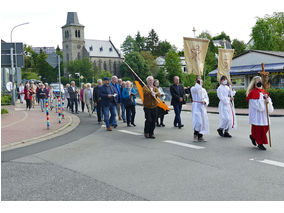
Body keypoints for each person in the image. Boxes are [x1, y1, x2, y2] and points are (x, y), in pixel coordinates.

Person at [246, 76, 274, 151]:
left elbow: (268, 100)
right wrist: (263, 101)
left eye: (260, 80)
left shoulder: (263, 91)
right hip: (257, 114)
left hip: (264, 114)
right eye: (258, 80)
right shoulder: (252, 93)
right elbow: (257, 105)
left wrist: (267, 100)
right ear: (254, 82)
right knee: (259, 129)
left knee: (266, 127)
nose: (259, 81)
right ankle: (260, 143)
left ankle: (253, 136)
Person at [190, 77, 209, 142]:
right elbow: (197, 89)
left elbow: (206, 97)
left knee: (203, 122)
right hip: (196, 107)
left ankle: (200, 136)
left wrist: (205, 101)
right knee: (198, 122)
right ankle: (195, 135)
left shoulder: (203, 90)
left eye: (200, 81)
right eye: (198, 81)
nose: (200, 82)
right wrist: (198, 83)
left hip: (202, 107)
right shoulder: (193, 88)